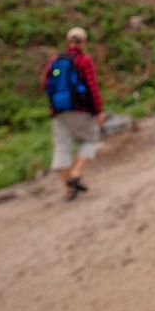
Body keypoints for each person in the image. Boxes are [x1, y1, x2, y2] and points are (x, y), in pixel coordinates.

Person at [43, 26, 104, 200]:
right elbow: (92, 88)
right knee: (91, 139)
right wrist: (98, 111)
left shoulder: (55, 63)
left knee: (62, 149)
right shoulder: (83, 61)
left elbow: (47, 83)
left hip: (59, 111)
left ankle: (68, 189)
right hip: (80, 111)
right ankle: (76, 173)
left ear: (67, 41)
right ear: (83, 42)